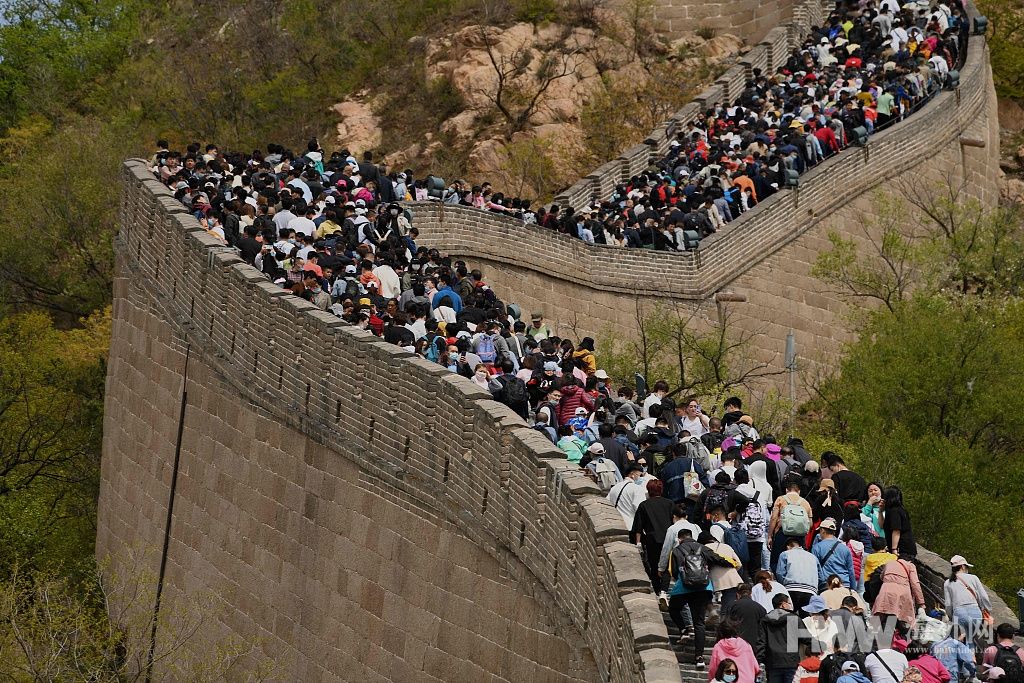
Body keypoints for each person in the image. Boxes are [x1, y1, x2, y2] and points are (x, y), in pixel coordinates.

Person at [667, 528, 736, 670]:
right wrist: (732, 563)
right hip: (703, 588)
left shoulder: (676, 550)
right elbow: (718, 559)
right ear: (692, 536)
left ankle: (684, 629)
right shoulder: (702, 548)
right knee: (699, 623)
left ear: (680, 539)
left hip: (683, 588)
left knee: (673, 608)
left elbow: (673, 571)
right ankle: (699, 657)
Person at [633, 479, 675, 590]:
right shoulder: (669, 503)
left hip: (652, 540)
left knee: (654, 564)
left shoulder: (644, 505)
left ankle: (657, 589)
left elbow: (638, 527)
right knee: (666, 564)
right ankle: (664, 589)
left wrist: (638, 543)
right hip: (668, 538)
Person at [943, 554, 991, 644]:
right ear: (962, 566)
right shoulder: (974, 578)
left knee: (961, 640)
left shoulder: (947, 582)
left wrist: (951, 617)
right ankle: (971, 651)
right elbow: (984, 597)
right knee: (971, 640)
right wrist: (987, 610)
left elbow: (948, 604)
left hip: (959, 613)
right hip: (975, 612)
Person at [757, 593, 804, 683]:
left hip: (772, 662)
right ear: (783, 604)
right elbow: (806, 638)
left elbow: (761, 642)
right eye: (789, 603)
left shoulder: (765, 620)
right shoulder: (794, 618)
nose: (790, 605)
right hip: (791, 662)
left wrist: (759, 660)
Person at [768, 478, 813, 571]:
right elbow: (810, 524)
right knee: (797, 562)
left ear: (786, 490)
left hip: (782, 533)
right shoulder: (805, 503)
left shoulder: (780, 499)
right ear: (799, 491)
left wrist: (769, 536)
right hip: (799, 536)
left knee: (776, 561)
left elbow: (773, 518)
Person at [872, 556, 925, 627]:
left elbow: (882, 577)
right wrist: (921, 603)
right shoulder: (910, 566)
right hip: (902, 593)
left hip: (885, 591)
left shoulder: (889, 563)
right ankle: (898, 632)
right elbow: (915, 584)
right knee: (903, 620)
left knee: (881, 616)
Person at [702, 530, 745, 613]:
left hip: (712, 580)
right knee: (727, 605)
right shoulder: (726, 546)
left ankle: (712, 611)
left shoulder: (703, 548)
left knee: (706, 598)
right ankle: (725, 618)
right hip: (731, 579)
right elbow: (739, 564)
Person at [777, 537, 820, 614]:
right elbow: (820, 576)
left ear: (788, 547)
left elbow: (780, 573)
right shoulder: (813, 557)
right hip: (810, 590)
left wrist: (783, 586)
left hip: (791, 588)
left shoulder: (785, 554)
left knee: (790, 616)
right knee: (805, 616)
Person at [812, 518, 856, 590]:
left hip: (827, 585)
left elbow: (815, 570)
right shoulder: (845, 548)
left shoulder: (817, 548)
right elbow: (851, 571)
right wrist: (853, 589)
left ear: (822, 530)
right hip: (844, 585)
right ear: (834, 532)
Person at [726, 583, 767, 650]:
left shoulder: (732, 606)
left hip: (736, 644)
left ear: (738, 594)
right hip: (754, 645)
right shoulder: (760, 608)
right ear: (750, 593)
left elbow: (727, 625)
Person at [608, 464, 649, 530]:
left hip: (614, 523)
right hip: (629, 525)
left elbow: (607, 502)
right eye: (639, 475)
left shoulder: (615, 487)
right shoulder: (637, 489)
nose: (641, 478)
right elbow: (640, 509)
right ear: (632, 474)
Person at [882, 486, 917, 559]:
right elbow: (881, 525)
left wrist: (894, 549)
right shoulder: (900, 509)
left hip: (902, 549)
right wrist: (880, 511)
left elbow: (896, 530)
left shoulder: (894, 511)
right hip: (906, 547)